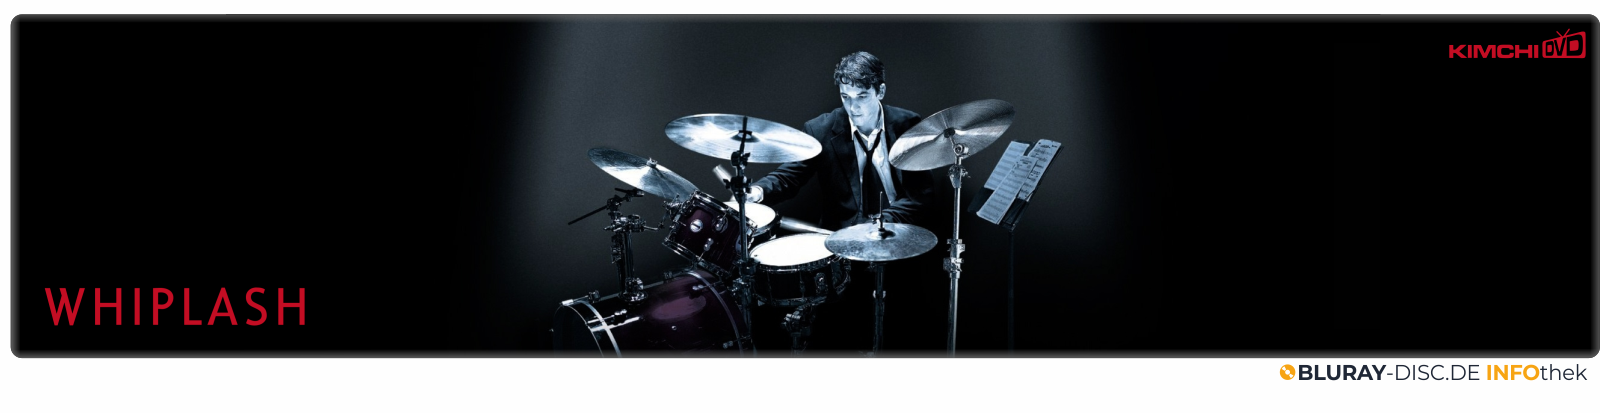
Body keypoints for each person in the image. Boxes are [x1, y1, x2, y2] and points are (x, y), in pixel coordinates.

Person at [740, 51, 946, 354]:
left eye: (862, 96)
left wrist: (879, 225)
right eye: (845, 97)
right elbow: (790, 176)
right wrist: (758, 191)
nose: (853, 107)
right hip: (843, 246)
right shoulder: (822, 129)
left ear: (880, 91)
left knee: (907, 329)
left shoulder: (907, 125)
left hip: (900, 236)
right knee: (841, 334)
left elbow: (920, 196)